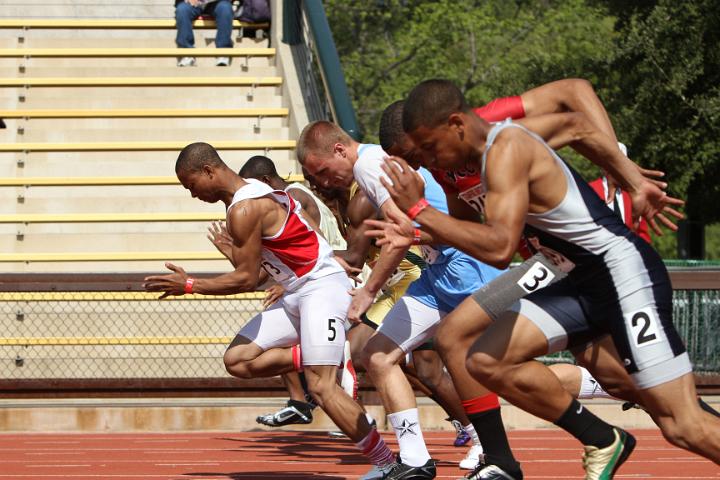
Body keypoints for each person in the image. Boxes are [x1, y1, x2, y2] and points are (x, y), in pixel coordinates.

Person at [373, 78, 719, 478]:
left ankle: (670, 407)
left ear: (457, 124)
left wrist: (630, 180)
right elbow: (572, 128)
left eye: (428, 150)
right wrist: (417, 232)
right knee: (486, 358)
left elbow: (499, 248)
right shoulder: (455, 166)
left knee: (682, 426)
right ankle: (601, 438)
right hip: (567, 273)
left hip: (618, 272)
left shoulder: (505, 143)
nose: (426, 164)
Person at [143, 142, 397, 473]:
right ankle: (320, 351)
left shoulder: (243, 209)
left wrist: (190, 285)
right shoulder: (253, 191)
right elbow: (271, 259)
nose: (193, 195)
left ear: (208, 171)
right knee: (237, 360)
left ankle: (388, 464)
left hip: (320, 288)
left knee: (321, 387)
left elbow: (247, 279)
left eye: (191, 186)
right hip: (297, 290)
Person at [298, 121, 520, 480]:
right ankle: (415, 460)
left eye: (322, 170)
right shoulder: (367, 167)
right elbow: (394, 237)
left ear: (339, 150)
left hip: (465, 268)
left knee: (505, 369)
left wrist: (368, 293)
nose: (323, 181)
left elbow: (400, 236)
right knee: (378, 354)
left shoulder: (369, 165)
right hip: (436, 274)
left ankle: (604, 385)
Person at [175, 0, 233, 67]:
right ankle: (187, 54)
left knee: (225, 8)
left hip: (216, 3)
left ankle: (223, 53)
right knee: (182, 9)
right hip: (192, 3)